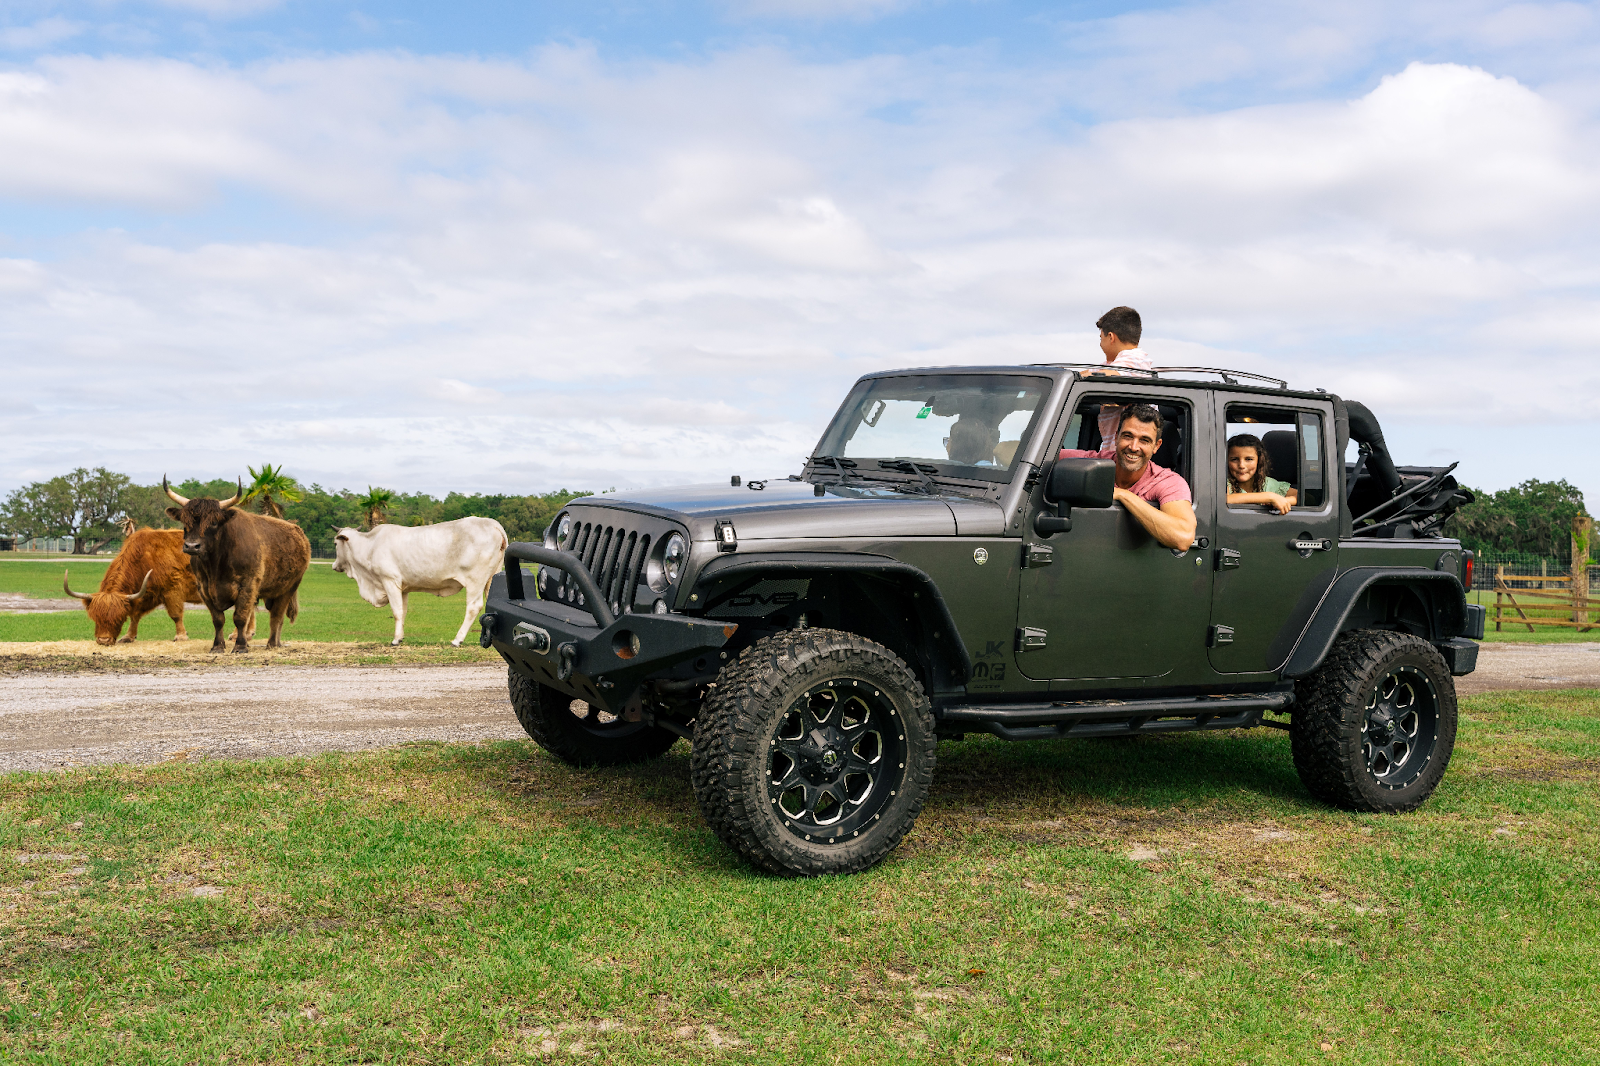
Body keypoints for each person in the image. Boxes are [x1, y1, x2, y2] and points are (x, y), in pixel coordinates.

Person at [1061, 403, 1196, 550]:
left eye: (1144, 440)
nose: (1133, 447)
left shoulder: (1166, 481)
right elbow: (1038, 460)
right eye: (1127, 436)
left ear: (1157, 446)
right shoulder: (1093, 461)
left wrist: (1124, 495)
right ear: (1116, 437)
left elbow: (1183, 538)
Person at [1083, 306, 1154, 447]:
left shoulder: (1136, 359)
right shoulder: (1115, 363)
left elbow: (1103, 376)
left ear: (1110, 337)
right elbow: (1095, 372)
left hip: (1127, 455)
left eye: (1101, 338)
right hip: (1114, 452)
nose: (1100, 344)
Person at [1225, 433, 1296, 514]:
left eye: (1248, 459)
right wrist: (1269, 497)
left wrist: (1283, 501)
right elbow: (1223, 499)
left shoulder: (1269, 484)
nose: (1241, 465)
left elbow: (1306, 497)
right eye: (1234, 459)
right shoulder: (1225, 483)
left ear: (1259, 461)